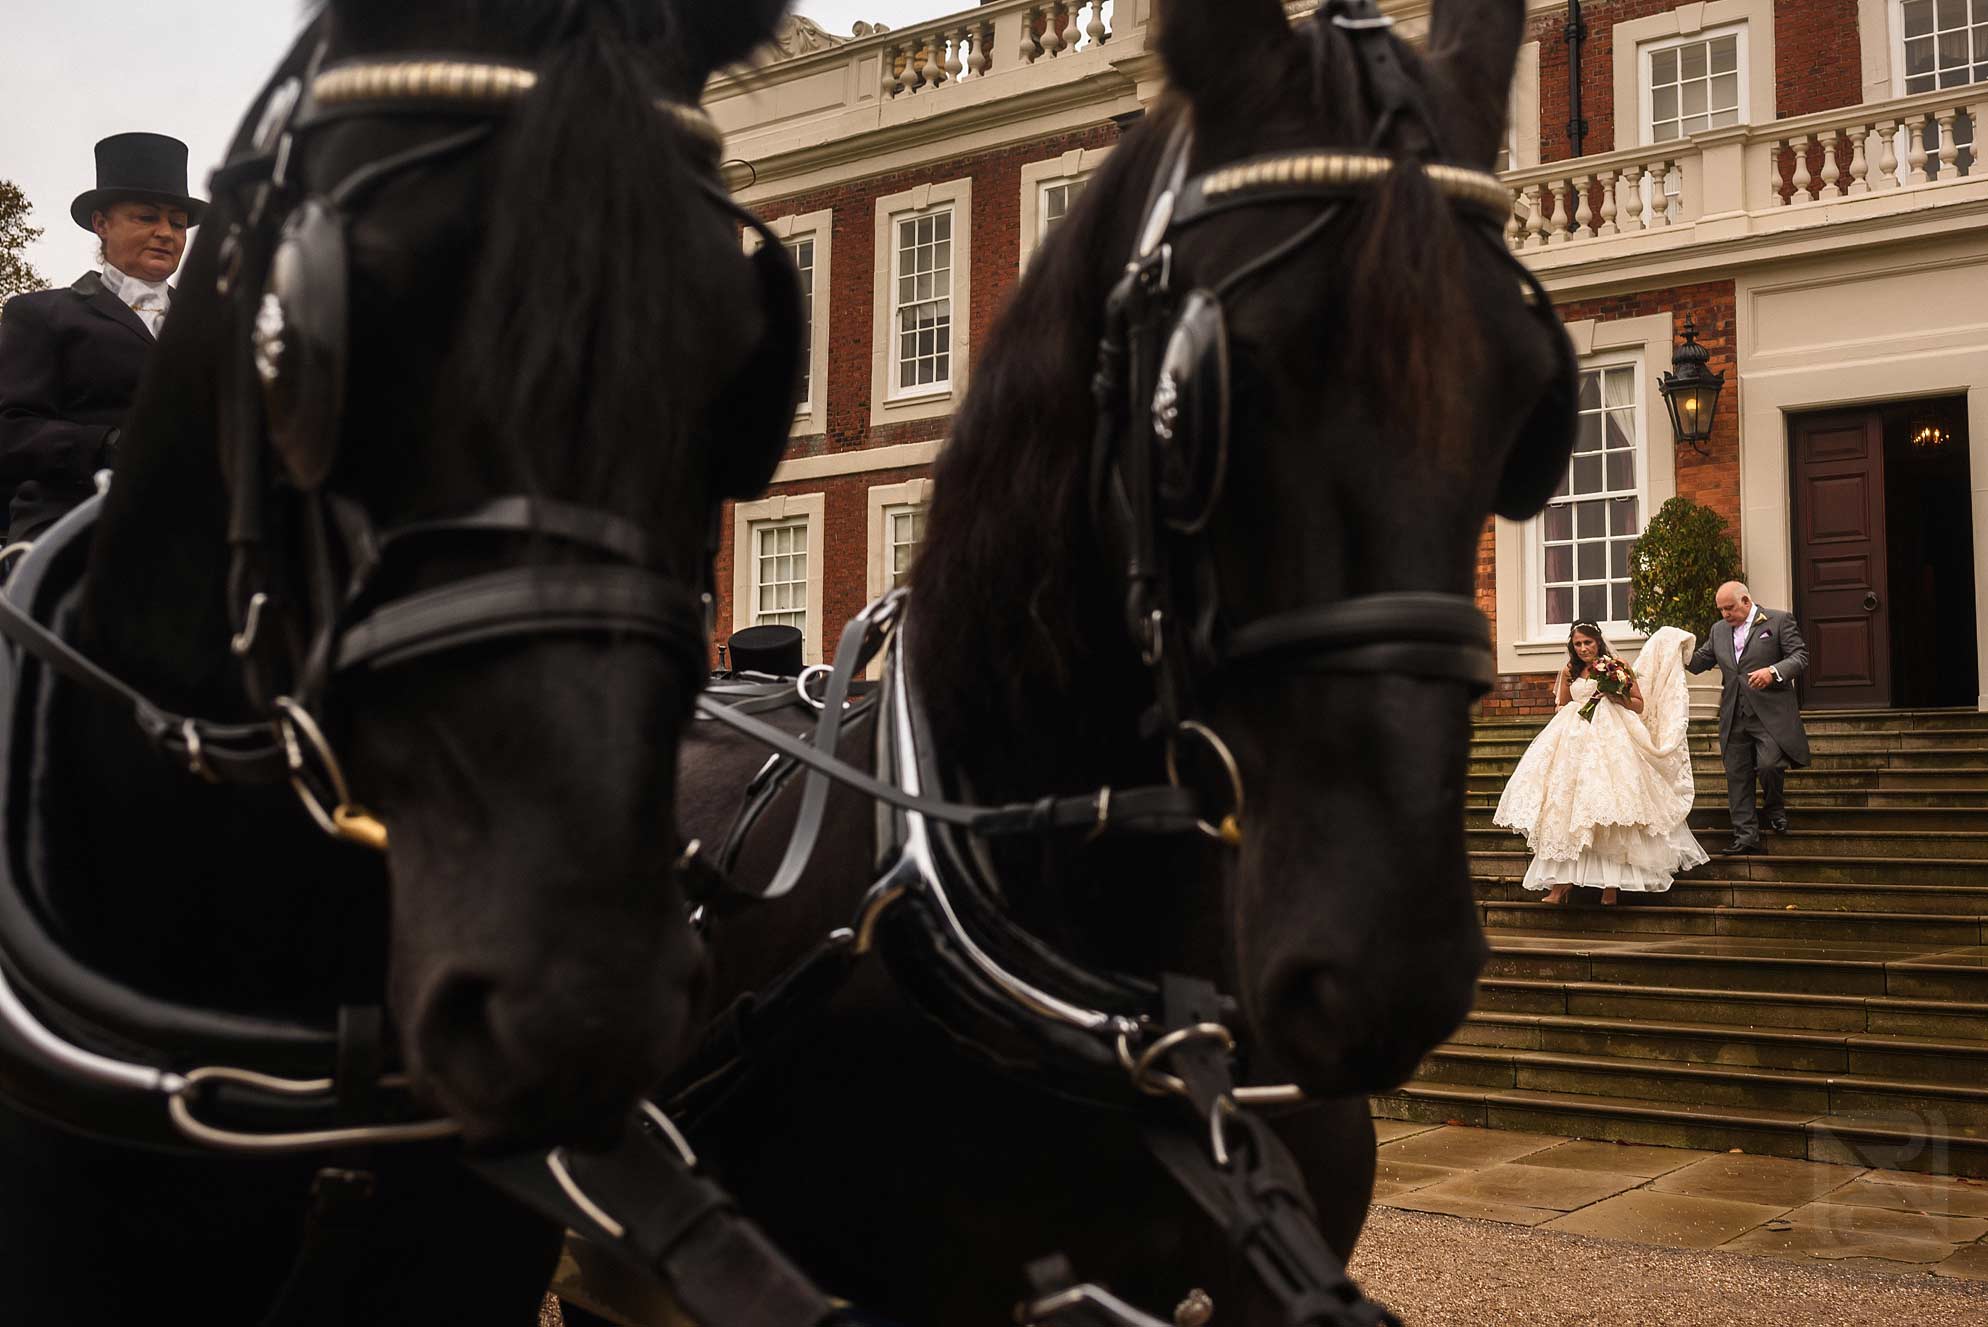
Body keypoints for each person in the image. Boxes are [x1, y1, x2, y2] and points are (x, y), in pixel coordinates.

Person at [0, 132, 206, 543]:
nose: (166, 232)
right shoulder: (41, 314)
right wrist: (104, 446)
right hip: (74, 522)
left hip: (197, 523)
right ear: (102, 224)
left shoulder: (211, 327)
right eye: (147, 218)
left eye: (177, 223)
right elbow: (9, 430)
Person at [1494, 621, 1706, 905]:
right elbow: (1562, 703)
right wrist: (1570, 708)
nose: (1583, 649)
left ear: (1598, 642)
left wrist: (1613, 694)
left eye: (1588, 643)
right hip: (1572, 737)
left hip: (1611, 735)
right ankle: (1561, 884)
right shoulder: (1569, 671)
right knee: (1564, 805)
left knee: (1608, 804)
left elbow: (1638, 704)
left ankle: (1611, 886)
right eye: (1578, 644)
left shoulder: (1617, 665)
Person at [1685, 580, 1811, 855]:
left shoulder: (1778, 621)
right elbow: (1698, 662)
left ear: (1745, 600)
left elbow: (1800, 656)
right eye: (1721, 610)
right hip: (1733, 714)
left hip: (1771, 713)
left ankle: (1775, 807)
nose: (1725, 614)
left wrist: (1773, 671)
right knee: (1737, 775)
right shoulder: (1718, 631)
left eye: (1729, 608)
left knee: (1769, 765)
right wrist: (1673, 647)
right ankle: (1745, 835)